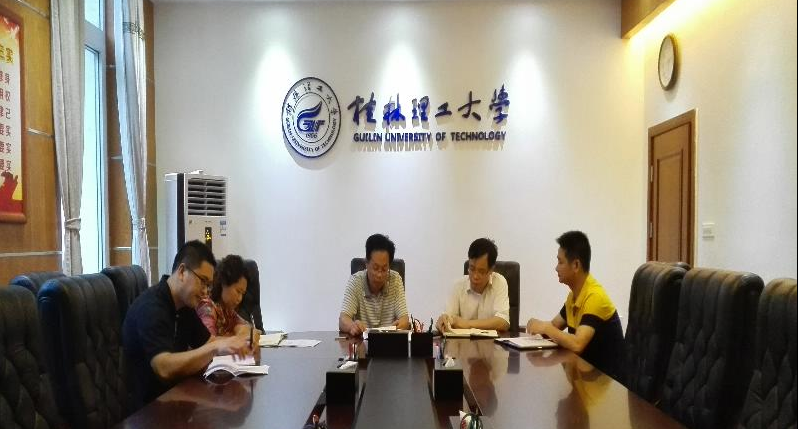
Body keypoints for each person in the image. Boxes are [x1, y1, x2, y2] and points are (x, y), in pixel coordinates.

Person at [123, 240, 250, 410]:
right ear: (182, 272)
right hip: (147, 411)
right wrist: (216, 347)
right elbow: (163, 367)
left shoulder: (184, 306)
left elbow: (208, 342)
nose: (205, 291)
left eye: (209, 285)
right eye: (203, 281)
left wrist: (237, 344)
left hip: (175, 401)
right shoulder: (151, 307)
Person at [525, 231, 623, 378]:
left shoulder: (595, 296)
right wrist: (537, 324)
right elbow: (554, 326)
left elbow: (577, 345)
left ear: (576, 265)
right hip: (585, 378)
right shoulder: (574, 296)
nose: (556, 268)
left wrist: (545, 328)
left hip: (606, 384)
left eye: (560, 262)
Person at [339, 233, 410, 336]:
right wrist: (352, 326)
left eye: (384, 269)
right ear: (366, 263)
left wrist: (402, 324)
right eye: (375, 268)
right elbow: (343, 319)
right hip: (362, 343)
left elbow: (404, 319)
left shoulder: (395, 280)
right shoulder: (356, 281)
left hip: (389, 341)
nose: (379, 274)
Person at [436, 238, 511, 332]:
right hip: (462, 341)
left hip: (491, 341)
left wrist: (467, 324)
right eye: (472, 269)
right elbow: (448, 317)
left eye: (481, 271)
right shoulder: (458, 285)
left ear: (491, 270)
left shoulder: (499, 282)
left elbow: (503, 322)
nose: (475, 276)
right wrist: (444, 321)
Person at [196, 254, 261, 345]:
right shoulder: (207, 307)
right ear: (224, 282)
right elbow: (208, 342)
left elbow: (248, 328)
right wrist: (237, 336)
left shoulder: (227, 310)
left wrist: (240, 330)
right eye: (238, 291)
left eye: (242, 294)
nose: (240, 298)